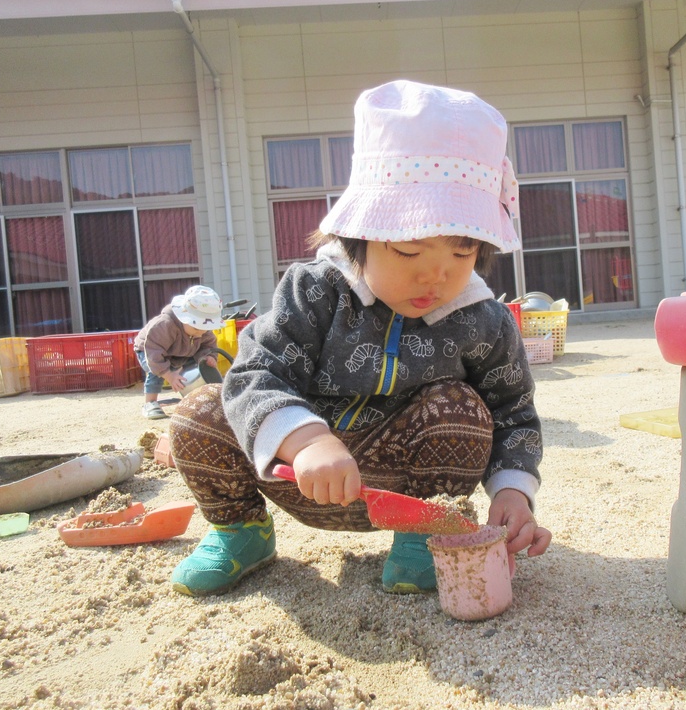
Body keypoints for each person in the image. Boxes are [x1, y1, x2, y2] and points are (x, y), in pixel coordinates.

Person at [168, 79, 551, 598]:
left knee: (461, 407)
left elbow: (513, 413)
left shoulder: (483, 320)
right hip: (293, 471)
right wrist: (306, 439)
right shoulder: (314, 292)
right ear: (360, 234)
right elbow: (257, 372)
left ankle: (423, 538)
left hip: (408, 489)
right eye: (411, 252)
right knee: (199, 411)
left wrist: (513, 492)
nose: (434, 278)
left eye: (461, 254)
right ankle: (241, 531)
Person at [134, 285, 224, 419]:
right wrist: (169, 375)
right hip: (150, 351)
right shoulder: (165, 325)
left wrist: (209, 357)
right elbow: (153, 351)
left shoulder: (201, 330)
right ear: (184, 317)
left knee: (196, 368)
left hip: (180, 352)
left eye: (204, 328)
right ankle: (150, 403)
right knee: (156, 373)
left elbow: (208, 344)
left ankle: (196, 400)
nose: (200, 332)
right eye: (196, 327)